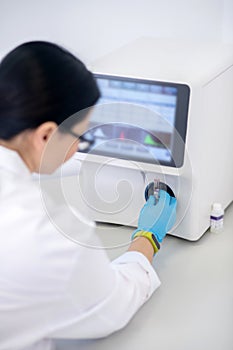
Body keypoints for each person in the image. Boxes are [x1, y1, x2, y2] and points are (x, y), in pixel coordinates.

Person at [0, 41, 177, 350]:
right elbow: (115, 304)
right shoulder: (52, 234)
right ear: (45, 135)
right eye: (81, 135)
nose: (81, 145)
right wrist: (148, 237)